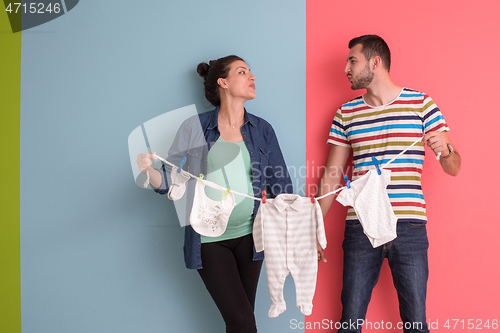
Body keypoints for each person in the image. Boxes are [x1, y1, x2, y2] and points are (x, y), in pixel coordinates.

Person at [136, 55, 292, 333]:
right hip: (209, 240)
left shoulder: (263, 130)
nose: (252, 77)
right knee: (242, 322)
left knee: (241, 321)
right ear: (223, 82)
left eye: (250, 72)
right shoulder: (195, 127)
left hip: (252, 238)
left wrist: (298, 235)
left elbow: (282, 186)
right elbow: (171, 180)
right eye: (243, 72)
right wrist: (148, 170)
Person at [316, 35, 461, 333]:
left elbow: (453, 167)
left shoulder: (422, 104)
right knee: (350, 323)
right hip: (361, 227)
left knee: (416, 324)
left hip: (408, 226)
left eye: (352, 61)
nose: (346, 68)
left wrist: (445, 151)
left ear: (375, 62)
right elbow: (332, 175)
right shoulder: (346, 113)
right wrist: (313, 225)